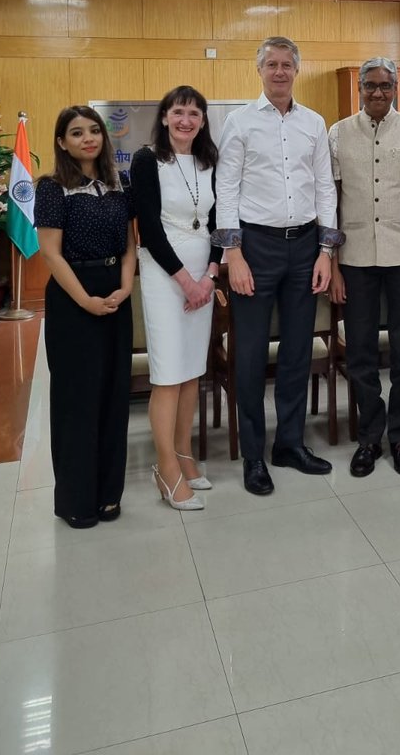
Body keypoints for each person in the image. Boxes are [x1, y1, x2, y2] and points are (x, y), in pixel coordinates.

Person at [213, 37, 339, 495]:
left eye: (287, 64)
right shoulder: (239, 122)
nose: (280, 71)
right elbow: (225, 188)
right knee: (247, 356)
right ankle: (253, 455)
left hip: (305, 247)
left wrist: (326, 251)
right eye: (272, 64)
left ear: (297, 70)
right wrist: (234, 255)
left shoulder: (314, 123)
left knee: (297, 353)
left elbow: (325, 188)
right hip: (255, 248)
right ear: (259, 70)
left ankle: (289, 443)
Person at [328, 57, 400, 478]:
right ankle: (370, 438)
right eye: (370, 85)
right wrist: (334, 265)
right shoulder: (338, 133)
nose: (377, 93)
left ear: (396, 88)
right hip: (355, 259)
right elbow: (331, 204)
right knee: (359, 353)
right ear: (359, 87)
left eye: (385, 86)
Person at [35, 106, 136, 528]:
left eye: (94, 130)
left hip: (117, 291)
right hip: (74, 298)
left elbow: (132, 244)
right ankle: (77, 501)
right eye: (76, 133)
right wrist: (86, 301)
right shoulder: (53, 187)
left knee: (114, 396)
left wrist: (127, 286)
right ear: (62, 141)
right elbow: (50, 254)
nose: (88, 138)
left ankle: (110, 494)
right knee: (78, 401)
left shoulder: (118, 182)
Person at [131, 87, 221, 512]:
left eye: (194, 114)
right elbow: (148, 227)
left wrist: (211, 275)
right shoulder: (148, 159)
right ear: (165, 117)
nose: (186, 120)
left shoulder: (209, 159)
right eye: (178, 112)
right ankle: (165, 467)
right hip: (165, 274)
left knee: (191, 372)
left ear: (202, 121)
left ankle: (184, 454)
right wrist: (188, 282)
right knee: (167, 373)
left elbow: (220, 222)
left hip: (203, 272)